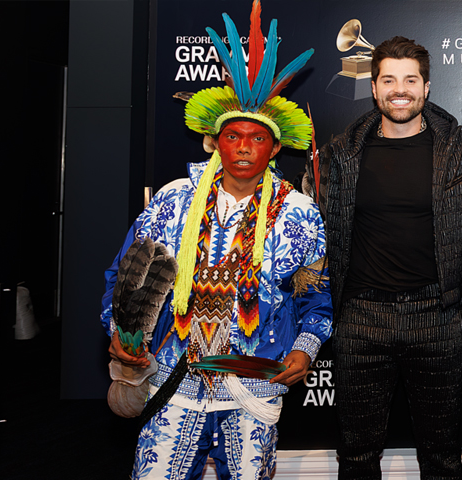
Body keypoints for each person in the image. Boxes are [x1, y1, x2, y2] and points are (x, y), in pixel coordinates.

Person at [102, 2, 330, 478]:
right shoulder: (172, 202)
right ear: (215, 141)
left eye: (255, 138)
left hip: (254, 381)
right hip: (173, 377)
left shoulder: (300, 213)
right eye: (233, 136)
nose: (244, 147)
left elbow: (317, 295)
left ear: (274, 147)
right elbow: (122, 276)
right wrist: (120, 335)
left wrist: (306, 347)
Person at [314, 36, 462, 479]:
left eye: (409, 79)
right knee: (356, 456)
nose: (399, 89)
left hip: (437, 318)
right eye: (388, 80)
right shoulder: (341, 153)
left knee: (441, 457)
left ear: (426, 87)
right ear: (375, 88)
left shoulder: (461, 152)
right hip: (361, 317)